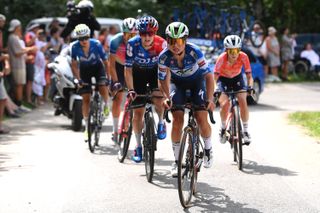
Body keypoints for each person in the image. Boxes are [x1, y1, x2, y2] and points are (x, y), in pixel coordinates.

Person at [158, 22, 215, 176]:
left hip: (198, 83)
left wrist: (210, 99)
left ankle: (208, 149)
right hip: (178, 85)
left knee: (201, 117)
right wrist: (165, 96)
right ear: (167, 41)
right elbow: (162, 79)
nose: (175, 45)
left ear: (185, 40)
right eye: (171, 41)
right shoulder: (163, 57)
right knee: (177, 119)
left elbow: (209, 76)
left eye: (179, 41)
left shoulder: (195, 52)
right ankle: (177, 162)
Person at [124, 15, 167, 163]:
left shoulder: (162, 44)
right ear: (138, 34)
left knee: (158, 98)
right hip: (138, 74)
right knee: (138, 112)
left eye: (150, 33)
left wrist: (164, 90)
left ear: (155, 33)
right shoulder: (132, 44)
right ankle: (137, 146)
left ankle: (161, 122)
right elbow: (128, 70)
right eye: (143, 33)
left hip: (156, 72)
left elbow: (165, 69)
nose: (147, 37)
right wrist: (131, 90)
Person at [70, 24, 110, 141]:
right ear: (77, 39)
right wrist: (78, 79)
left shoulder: (96, 44)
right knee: (85, 98)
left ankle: (106, 105)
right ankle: (87, 127)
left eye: (86, 37)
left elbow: (106, 61)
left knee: (102, 86)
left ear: (89, 36)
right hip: (84, 71)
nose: (84, 41)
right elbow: (74, 65)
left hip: (98, 68)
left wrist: (108, 77)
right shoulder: (74, 47)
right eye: (81, 38)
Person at [213, 35, 253, 145]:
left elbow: (249, 76)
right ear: (226, 50)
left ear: (239, 50)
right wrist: (215, 88)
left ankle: (245, 131)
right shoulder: (221, 58)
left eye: (236, 50)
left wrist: (250, 87)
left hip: (237, 79)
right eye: (231, 51)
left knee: (243, 100)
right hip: (223, 79)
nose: (234, 54)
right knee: (225, 104)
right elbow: (214, 78)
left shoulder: (244, 57)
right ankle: (222, 128)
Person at [109, 17, 137, 143]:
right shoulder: (115, 41)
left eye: (133, 34)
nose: (130, 37)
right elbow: (111, 65)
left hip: (134, 68)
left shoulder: (140, 42)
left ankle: (130, 122)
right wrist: (115, 82)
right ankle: (115, 130)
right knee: (118, 98)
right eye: (127, 34)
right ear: (123, 33)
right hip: (119, 67)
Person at [7, 19, 36, 111]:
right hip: (17, 65)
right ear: (16, 27)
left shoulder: (14, 37)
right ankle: (18, 105)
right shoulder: (12, 37)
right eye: (19, 26)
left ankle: (18, 104)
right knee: (19, 85)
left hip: (20, 64)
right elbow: (17, 52)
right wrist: (30, 49)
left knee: (20, 85)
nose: (20, 28)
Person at [24, 23, 40, 107]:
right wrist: (35, 36)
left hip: (33, 61)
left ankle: (30, 99)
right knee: (29, 81)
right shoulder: (29, 35)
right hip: (29, 61)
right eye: (36, 28)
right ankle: (28, 99)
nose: (37, 29)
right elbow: (28, 44)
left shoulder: (33, 35)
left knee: (31, 81)